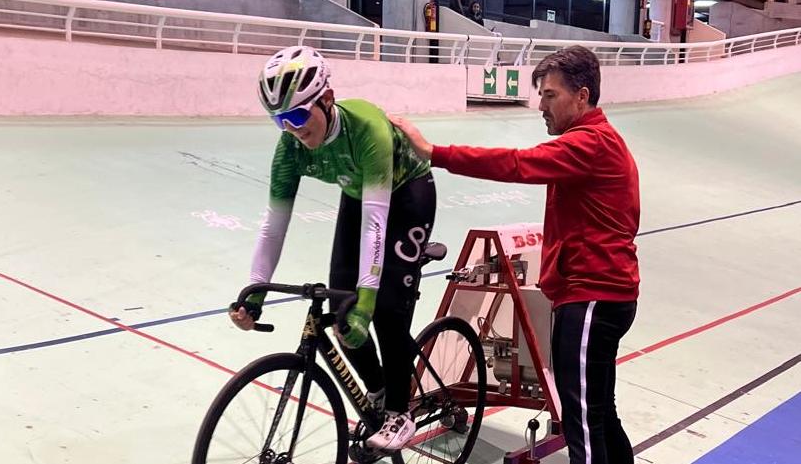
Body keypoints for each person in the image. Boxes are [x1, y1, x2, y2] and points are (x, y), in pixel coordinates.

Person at [390, 45, 639, 464]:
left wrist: (434, 152)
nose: (541, 105)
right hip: (600, 294)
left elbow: (517, 164)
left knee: (582, 422)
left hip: (592, 297)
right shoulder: (599, 142)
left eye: (551, 96)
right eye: (540, 95)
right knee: (598, 412)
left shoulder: (590, 143)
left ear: (582, 96)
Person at [230, 45, 436, 451]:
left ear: (326, 98)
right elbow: (274, 225)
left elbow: (377, 225)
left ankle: (400, 411)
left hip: (407, 195)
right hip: (358, 194)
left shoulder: (367, 130)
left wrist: (368, 301)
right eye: (279, 120)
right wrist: (255, 290)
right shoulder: (290, 148)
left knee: (386, 311)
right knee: (341, 309)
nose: (291, 129)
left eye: (297, 115)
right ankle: (376, 392)